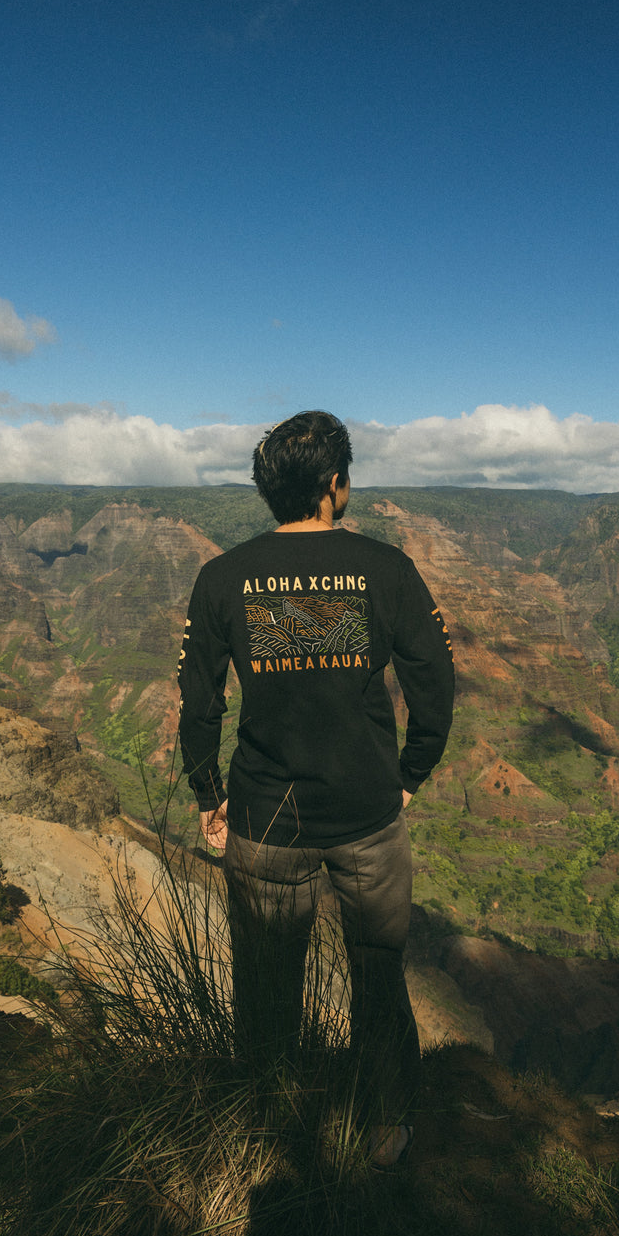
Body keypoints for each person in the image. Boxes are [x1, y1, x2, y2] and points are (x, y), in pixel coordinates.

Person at [177, 410, 455, 1168]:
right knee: (377, 974)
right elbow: (435, 682)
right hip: (369, 814)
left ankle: (268, 1130)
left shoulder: (222, 577)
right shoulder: (386, 568)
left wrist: (209, 798)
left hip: (265, 820)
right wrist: (410, 777)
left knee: (266, 988)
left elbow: (198, 705)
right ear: (334, 484)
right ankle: (384, 1127)